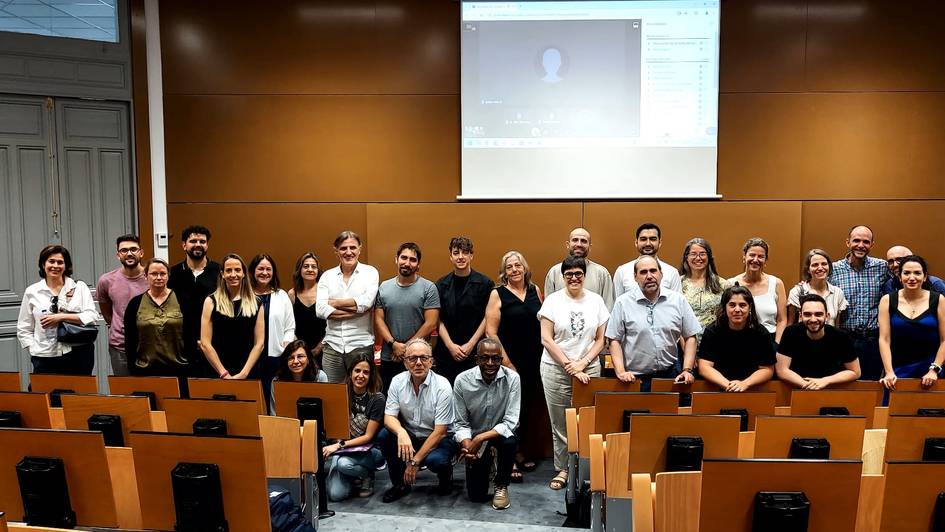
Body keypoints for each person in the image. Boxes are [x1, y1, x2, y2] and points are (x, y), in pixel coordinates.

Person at [538, 256, 608, 490]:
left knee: (587, 420)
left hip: (589, 368)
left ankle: (587, 470)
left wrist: (582, 363)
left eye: (578, 273)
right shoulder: (553, 302)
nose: (574, 278)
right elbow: (546, 339)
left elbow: (601, 340)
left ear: (585, 275)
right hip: (556, 369)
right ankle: (564, 468)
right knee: (560, 422)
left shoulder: (596, 301)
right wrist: (570, 366)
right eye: (569, 274)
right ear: (563, 276)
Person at [485, 251, 544, 475]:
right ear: (504, 272)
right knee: (508, 410)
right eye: (509, 267)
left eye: (517, 265)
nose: (514, 270)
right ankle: (507, 456)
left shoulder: (535, 290)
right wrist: (507, 362)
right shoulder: (497, 294)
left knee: (528, 408)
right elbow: (491, 332)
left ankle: (521, 451)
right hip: (509, 361)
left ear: (524, 267)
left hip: (534, 360)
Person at [378, 339, 456, 503]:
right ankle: (400, 484)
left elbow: (440, 432)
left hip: (439, 438)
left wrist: (414, 463)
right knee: (385, 435)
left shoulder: (443, 386)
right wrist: (401, 432)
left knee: (436, 461)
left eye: (423, 358)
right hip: (411, 435)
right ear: (405, 362)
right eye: (412, 358)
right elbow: (389, 417)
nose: (418, 363)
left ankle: (445, 477)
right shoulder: (397, 381)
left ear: (431, 361)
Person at [606, 256, 701, 392]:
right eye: (643, 272)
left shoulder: (678, 300)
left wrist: (687, 369)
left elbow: (691, 336)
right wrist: (620, 371)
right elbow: (614, 340)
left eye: (653, 271)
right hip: (634, 378)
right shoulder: (623, 303)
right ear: (635, 277)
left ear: (661, 273)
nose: (649, 276)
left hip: (671, 376)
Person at [453, 338, 521, 510]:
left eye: (495, 359)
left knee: (510, 441)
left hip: (499, 434)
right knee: (476, 497)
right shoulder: (462, 380)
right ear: (477, 359)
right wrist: (468, 446)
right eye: (484, 358)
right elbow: (460, 423)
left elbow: (511, 421)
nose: (490, 363)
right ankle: (488, 463)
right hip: (474, 436)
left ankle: (501, 485)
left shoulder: (512, 379)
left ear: (501, 360)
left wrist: (482, 438)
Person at [17, 245, 99, 375]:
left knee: (78, 394)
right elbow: (24, 327)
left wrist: (60, 317)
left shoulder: (79, 287)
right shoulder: (32, 291)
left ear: (66, 266)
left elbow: (91, 316)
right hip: (45, 356)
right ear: (43, 264)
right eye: (51, 261)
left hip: (79, 353)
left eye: (60, 262)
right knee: (46, 394)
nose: (55, 266)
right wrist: (33, 348)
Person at [375, 242, 440, 391]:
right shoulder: (384, 287)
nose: (407, 263)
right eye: (403, 257)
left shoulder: (429, 288)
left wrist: (407, 348)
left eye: (412, 259)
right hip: (389, 356)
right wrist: (394, 344)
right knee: (390, 403)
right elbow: (378, 319)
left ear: (418, 264)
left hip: (418, 358)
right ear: (396, 259)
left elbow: (431, 323)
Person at [316, 231, 379, 383]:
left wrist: (334, 303)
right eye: (344, 248)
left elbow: (366, 303)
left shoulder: (370, 272)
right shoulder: (327, 276)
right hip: (332, 345)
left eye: (353, 247)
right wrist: (358, 311)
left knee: (362, 392)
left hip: (361, 344)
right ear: (336, 251)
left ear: (360, 249)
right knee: (334, 394)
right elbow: (320, 310)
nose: (349, 252)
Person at [323, 353, 385, 501]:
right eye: (357, 371)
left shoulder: (377, 398)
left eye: (366, 372)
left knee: (343, 464)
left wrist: (339, 445)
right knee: (335, 495)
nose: (361, 375)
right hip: (344, 448)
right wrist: (338, 444)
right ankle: (354, 475)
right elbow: (336, 429)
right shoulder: (341, 393)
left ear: (371, 376)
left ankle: (367, 475)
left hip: (371, 451)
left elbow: (368, 437)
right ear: (350, 373)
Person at [828, 225, 887, 380]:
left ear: (872, 245)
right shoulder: (833, 269)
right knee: (844, 387)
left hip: (873, 340)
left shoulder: (881, 267)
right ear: (848, 242)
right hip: (845, 339)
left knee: (871, 386)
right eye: (856, 240)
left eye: (866, 242)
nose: (861, 245)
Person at [878, 255, 945, 389]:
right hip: (898, 370)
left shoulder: (939, 300)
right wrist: (889, 371)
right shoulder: (887, 300)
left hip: (932, 371)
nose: (912, 277)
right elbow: (884, 339)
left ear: (925, 276)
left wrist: (934, 370)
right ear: (899, 276)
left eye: (917, 273)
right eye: (907, 273)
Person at [433, 237, 493, 384]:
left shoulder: (485, 284)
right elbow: (437, 318)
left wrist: (471, 344)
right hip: (446, 352)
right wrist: (450, 346)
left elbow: (488, 317)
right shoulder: (441, 284)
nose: (460, 257)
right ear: (451, 257)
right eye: (456, 253)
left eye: (465, 252)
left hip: (475, 351)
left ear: (471, 255)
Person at [697, 286, 776, 392]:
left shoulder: (761, 333)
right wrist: (729, 385)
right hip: (718, 387)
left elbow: (767, 370)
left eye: (742, 305)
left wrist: (745, 384)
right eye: (732, 305)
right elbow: (704, 367)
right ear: (724, 307)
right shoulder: (713, 331)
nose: (737, 310)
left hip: (751, 388)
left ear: (750, 307)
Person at [199, 253, 265, 379]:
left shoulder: (257, 303)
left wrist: (244, 373)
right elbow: (205, 343)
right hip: (216, 371)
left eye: (237, 270)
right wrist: (223, 373)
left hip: (247, 371)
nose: (233, 275)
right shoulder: (210, 301)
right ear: (222, 274)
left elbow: (259, 344)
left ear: (244, 273)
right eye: (228, 270)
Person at [777, 294, 860, 389]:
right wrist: (809, 386)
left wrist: (826, 380)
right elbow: (781, 370)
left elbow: (855, 372)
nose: (813, 319)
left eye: (818, 314)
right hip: (797, 388)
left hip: (831, 389)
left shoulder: (841, 337)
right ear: (800, 316)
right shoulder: (790, 333)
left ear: (827, 316)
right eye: (807, 314)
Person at [123, 258, 189, 378]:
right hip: (145, 370)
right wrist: (132, 367)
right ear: (145, 276)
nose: (158, 277)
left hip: (179, 369)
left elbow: (191, 334)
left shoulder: (183, 300)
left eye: (162, 274)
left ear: (168, 276)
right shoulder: (135, 303)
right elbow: (130, 339)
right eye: (153, 274)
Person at [96, 234, 148, 376]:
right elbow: (106, 312)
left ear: (141, 253)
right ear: (118, 255)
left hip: (150, 347)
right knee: (126, 392)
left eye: (133, 249)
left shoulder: (152, 277)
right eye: (124, 250)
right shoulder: (106, 280)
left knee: (152, 391)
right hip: (120, 346)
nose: (129, 253)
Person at [250, 253, 295, 413]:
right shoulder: (245, 296)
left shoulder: (281, 295)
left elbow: (290, 326)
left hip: (276, 356)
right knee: (254, 395)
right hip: (250, 357)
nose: (264, 272)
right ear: (253, 271)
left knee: (274, 396)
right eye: (260, 268)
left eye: (268, 269)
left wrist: (287, 343)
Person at [167, 225, 220, 364]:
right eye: (193, 241)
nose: (198, 245)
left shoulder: (220, 272)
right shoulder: (173, 274)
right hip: (181, 345)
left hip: (214, 343)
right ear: (184, 245)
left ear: (207, 245)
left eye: (202, 242)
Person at [728, 238, 787, 343]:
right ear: (744, 257)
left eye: (761, 256)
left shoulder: (776, 284)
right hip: (738, 340)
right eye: (752, 255)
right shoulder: (730, 284)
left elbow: (782, 320)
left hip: (770, 340)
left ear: (765, 260)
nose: (755, 259)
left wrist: (777, 345)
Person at [544, 227, 615, 310]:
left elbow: (608, 308)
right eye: (575, 240)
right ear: (568, 244)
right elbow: (548, 309)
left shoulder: (602, 273)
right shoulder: (554, 272)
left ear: (590, 247)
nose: (579, 244)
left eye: (584, 241)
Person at [613, 223, 682, 298]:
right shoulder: (622, 271)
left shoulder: (672, 273)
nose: (648, 243)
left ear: (660, 243)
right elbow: (617, 304)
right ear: (636, 243)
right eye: (643, 239)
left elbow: (678, 305)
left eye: (653, 239)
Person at [679, 237, 731, 337]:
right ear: (686, 257)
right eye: (693, 254)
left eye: (702, 254)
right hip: (685, 342)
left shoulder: (723, 285)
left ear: (709, 257)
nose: (698, 258)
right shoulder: (678, 283)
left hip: (715, 342)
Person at [787, 249, 848, 327]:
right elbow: (790, 325)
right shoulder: (797, 292)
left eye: (824, 264)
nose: (820, 268)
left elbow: (837, 326)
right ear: (808, 269)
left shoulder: (838, 293)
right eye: (815, 265)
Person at [288, 252, 327, 360]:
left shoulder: (325, 292)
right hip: (299, 352)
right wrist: (300, 348)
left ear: (318, 270)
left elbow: (332, 325)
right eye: (306, 266)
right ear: (299, 270)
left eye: (314, 267)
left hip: (324, 349)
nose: (310, 269)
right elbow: (289, 325)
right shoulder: (292, 294)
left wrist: (318, 349)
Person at [270, 339, 328, 412]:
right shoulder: (277, 381)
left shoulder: (320, 377)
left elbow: (325, 410)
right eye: (291, 358)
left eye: (300, 356)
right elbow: (274, 413)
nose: (295, 361)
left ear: (308, 359)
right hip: (287, 422)